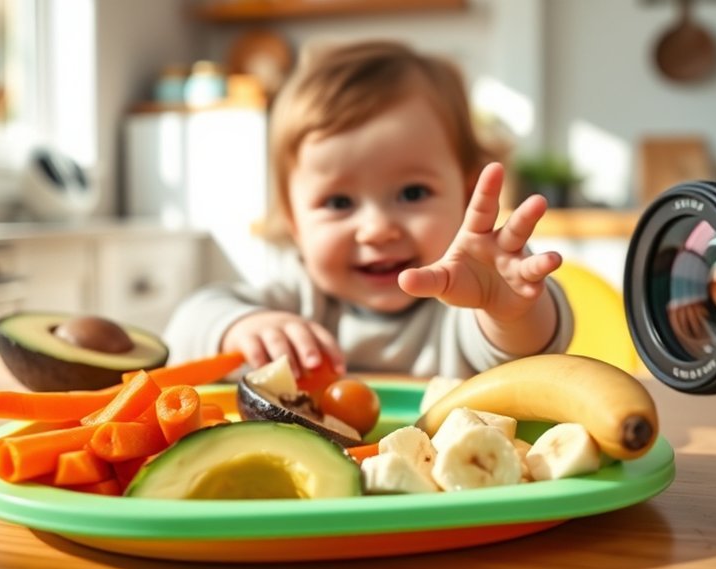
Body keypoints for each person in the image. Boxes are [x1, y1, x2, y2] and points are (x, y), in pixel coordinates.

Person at [164, 40, 573, 381]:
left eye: (413, 193)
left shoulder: (467, 296)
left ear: (465, 197)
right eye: (339, 203)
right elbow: (184, 331)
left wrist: (507, 310)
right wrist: (240, 329)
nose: (377, 230)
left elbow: (527, 348)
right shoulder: (300, 297)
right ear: (293, 219)